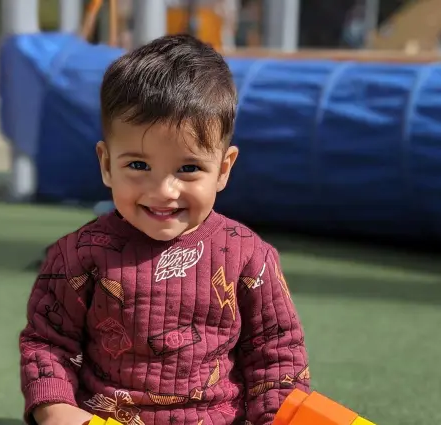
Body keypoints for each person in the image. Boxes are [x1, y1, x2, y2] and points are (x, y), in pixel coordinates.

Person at [19, 34, 310, 425]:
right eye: (138, 166)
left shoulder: (249, 257)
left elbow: (276, 354)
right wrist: (54, 409)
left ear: (223, 168)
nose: (163, 192)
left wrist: (277, 418)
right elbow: (48, 343)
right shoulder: (77, 256)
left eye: (188, 168)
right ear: (106, 164)